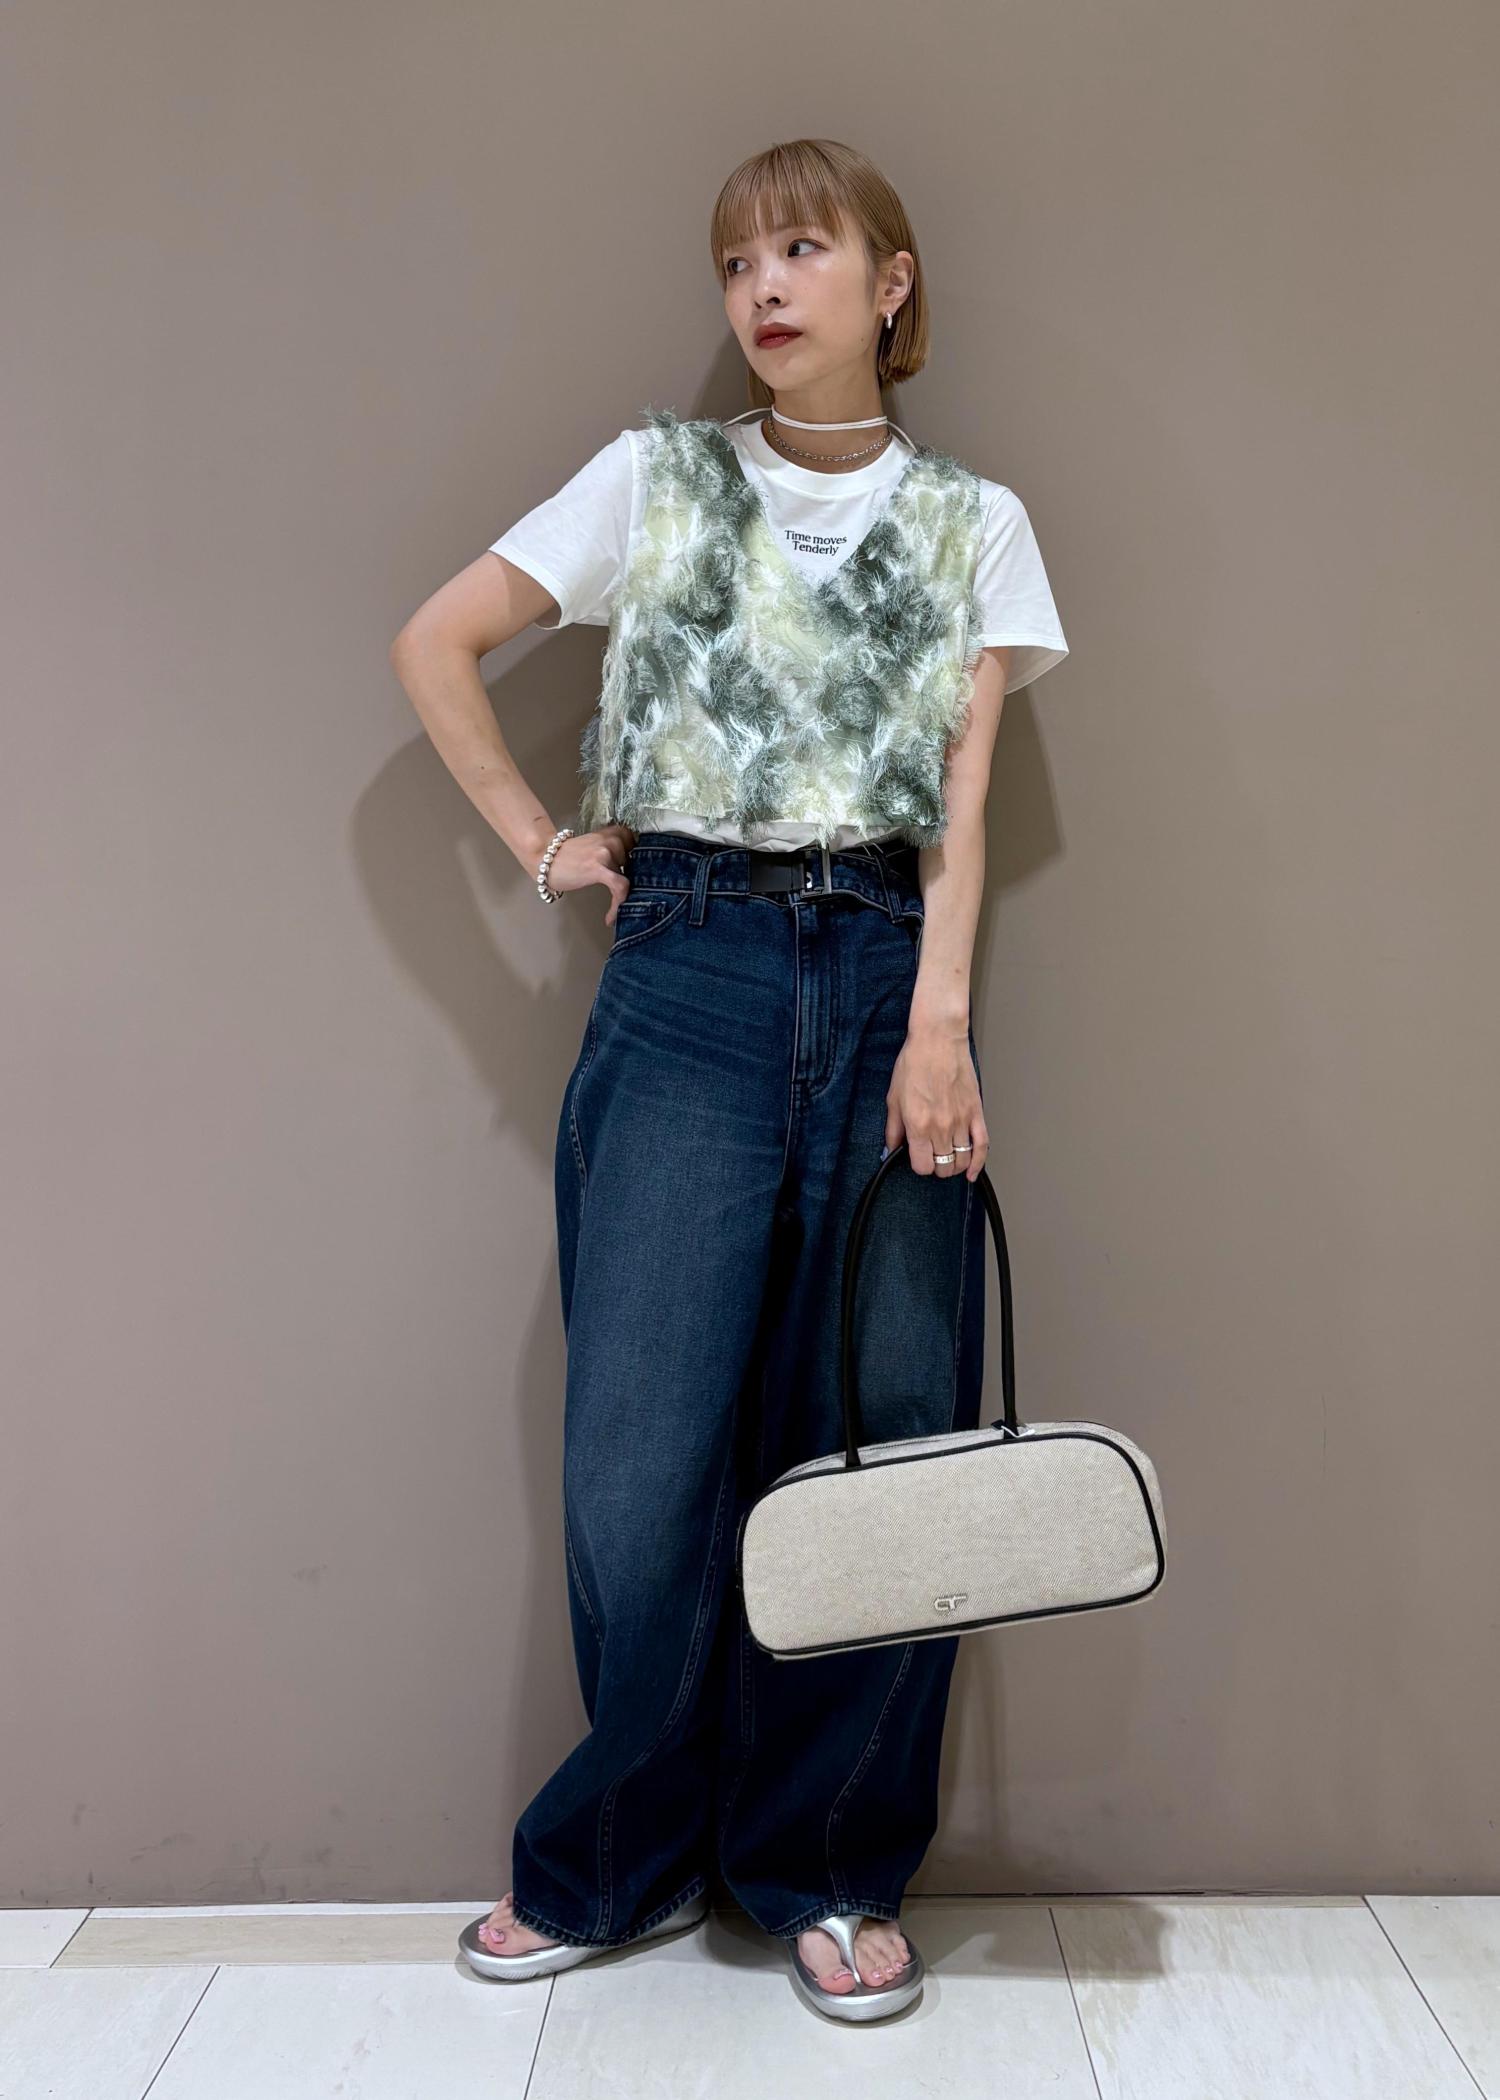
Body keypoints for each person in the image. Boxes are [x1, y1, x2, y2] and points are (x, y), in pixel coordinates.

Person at [389, 136, 1068, 2024]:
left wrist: (938, 1025)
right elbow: (436, 642)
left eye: (803, 248)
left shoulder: (975, 521)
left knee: (880, 1432)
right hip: (685, 969)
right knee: (641, 1457)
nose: (764, 286)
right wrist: (544, 846)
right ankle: (612, 1858)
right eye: (737, 262)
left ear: (890, 282)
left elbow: (963, 806)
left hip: (889, 971)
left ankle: (829, 1864)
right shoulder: (655, 480)